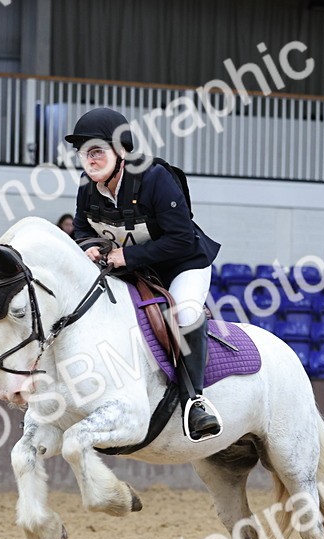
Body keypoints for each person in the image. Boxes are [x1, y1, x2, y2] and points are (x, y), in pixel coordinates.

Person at [65, 107, 223, 443]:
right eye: (84, 154)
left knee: (186, 312)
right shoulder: (88, 187)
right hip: (135, 270)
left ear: (121, 151)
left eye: (97, 152)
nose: (89, 161)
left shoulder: (154, 178)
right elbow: (81, 228)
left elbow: (180, 239)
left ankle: (195, 400)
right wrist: (86, 246)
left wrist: (127, 255)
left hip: (182, 265)